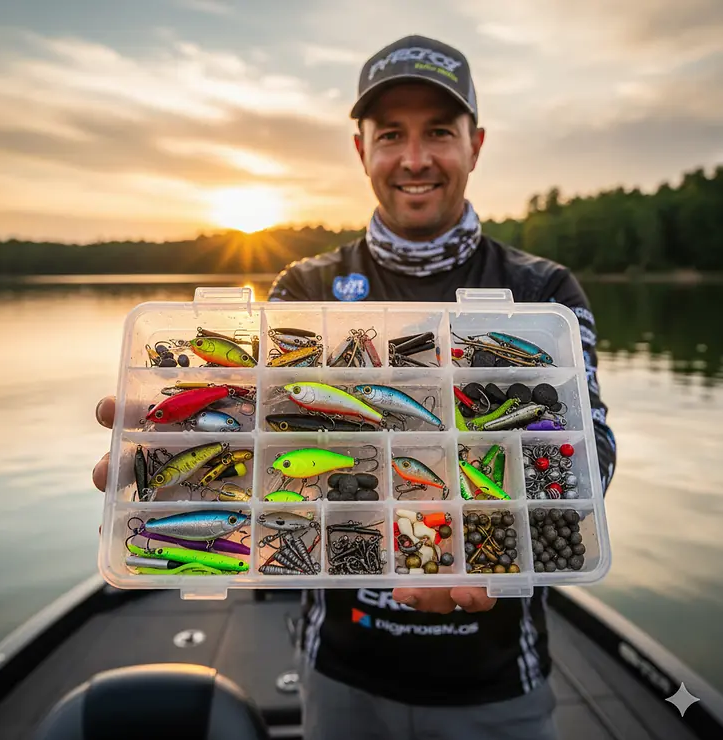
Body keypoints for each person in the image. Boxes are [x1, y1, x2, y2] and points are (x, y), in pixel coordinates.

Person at [92, 35, 617, 740]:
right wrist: (189, 456)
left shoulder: (541, 290)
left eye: (439, 131)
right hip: (340, 673)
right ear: (360, 148)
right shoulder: (303, 290)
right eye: (390, 134)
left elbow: (596, 452)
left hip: (496, 685)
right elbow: (264, 431)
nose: (415, 159)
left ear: (476, 143)